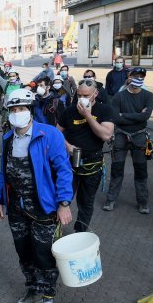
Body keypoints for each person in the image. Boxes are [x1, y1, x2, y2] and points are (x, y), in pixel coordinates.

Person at [0, 89, 73, 303]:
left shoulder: (48, 134)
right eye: (13, 109)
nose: (18, 113)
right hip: (17, 210)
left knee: (45, 258)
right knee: (24, 253)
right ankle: (32, 289)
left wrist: (63, 203)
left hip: (44, 209)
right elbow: (3, 174)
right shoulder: (8, 138)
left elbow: (64, 170)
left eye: (22, 108)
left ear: (31, 109)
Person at [57, 79, 115, 232]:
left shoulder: (105, 110)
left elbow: (106, 135)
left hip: (92, 164)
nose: (82, 98)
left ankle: (81, 232)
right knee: (63, 199)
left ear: (95, 94)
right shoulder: (69, 112)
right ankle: (55, 230)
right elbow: (56, 134)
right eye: (79, 94)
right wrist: (67, 146)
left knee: (86, 202)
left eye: (86, 95)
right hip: (70, 164)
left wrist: (88, 116)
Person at [103, 67, 153, 214]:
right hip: (120, 136)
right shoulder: (119, 97)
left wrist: (124, 115)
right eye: (135, 75)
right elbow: (116, 118)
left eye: (141, 76)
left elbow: (145, 116)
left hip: (139, 137)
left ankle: (143, 202)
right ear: (129, 77)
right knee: (117, 170)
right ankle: (111, 199)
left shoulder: (148, 95)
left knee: (141, 171)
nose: (138, 78)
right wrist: (137, 115)